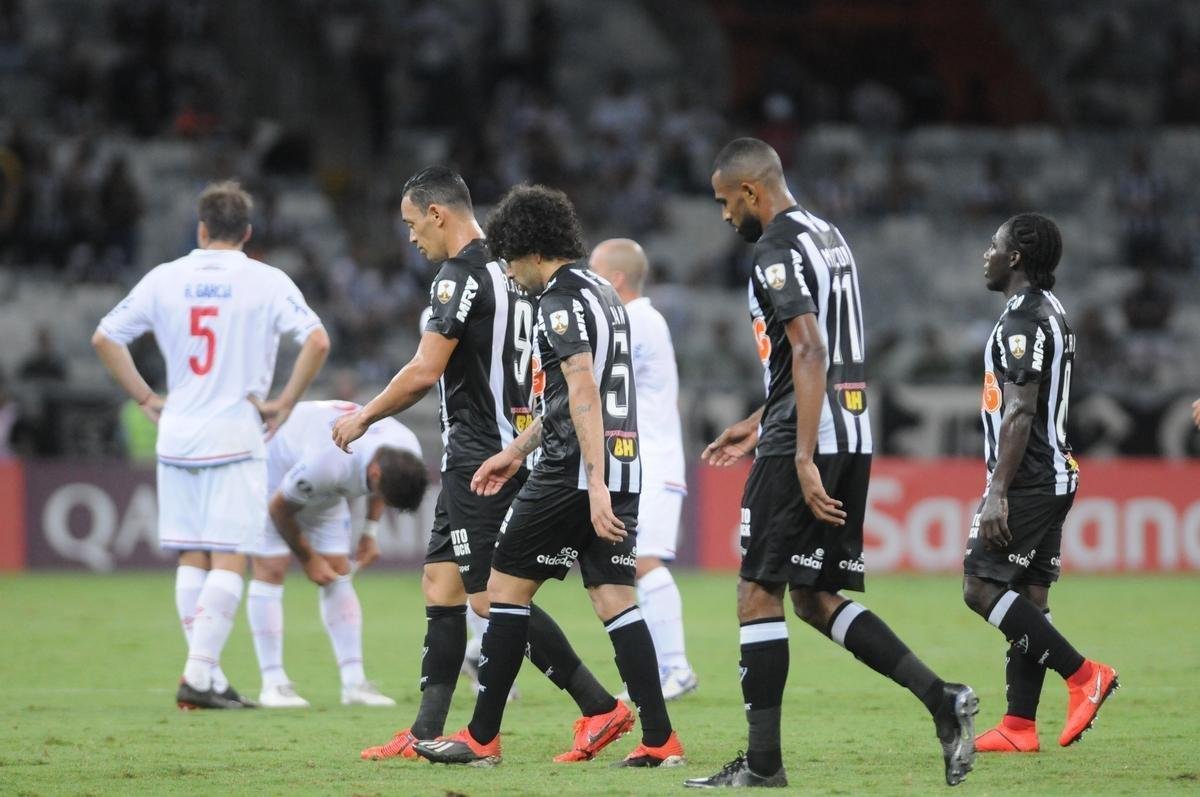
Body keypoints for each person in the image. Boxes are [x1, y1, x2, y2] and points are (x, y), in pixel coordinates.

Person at [686, 139, 977, 789]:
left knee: (756, 591)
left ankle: (763, 766)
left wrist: (797, 449)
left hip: (811, 437)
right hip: (851, 427)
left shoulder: (776, 249)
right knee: (815, 597)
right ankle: (944, 698)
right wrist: (762, 417)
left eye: (726, 201)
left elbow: (811, 348)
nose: (725, 216)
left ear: (752, 192)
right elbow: (824, 352)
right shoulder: (828, 234)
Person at [331, 168, 624, 763]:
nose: (412, 239)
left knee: (492, 598)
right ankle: (423, 733)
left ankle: (599, 706)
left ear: (439, 214)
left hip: (479, 452)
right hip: (511, 442)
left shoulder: (457, 278)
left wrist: (365, 417)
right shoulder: (513, 268)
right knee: (441, 585)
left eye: (414, 225)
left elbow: (423, 370)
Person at [413, 184, 686, 769]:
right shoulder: (603, 293)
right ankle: (660, 740)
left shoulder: (559, 299)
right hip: (622, 461)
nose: (510, 274)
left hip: (573, 473)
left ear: (532, 250)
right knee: (616, 598)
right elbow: (569, 397)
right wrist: (515, 450)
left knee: (501, 590)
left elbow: (582, 388)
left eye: (510, 261)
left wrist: (592, 484)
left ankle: (481, 738)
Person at [92, 180, 330, 709]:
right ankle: (199, 676)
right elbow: (317, 340)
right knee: (229, 557)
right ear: (246, 233)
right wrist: (286, 402)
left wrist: (145, 398)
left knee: (192, 558)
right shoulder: (265, 280)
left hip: (176, 434)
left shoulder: (165, 278)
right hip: (233, 435)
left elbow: (104, 337)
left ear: (200, 229)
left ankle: (210, 676)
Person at [965, 213, 1119, 753]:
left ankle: (1084, 677)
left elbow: (1020, 413)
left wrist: (997, 491)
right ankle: (1019, 725)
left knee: (981, 588)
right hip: (1054, 473)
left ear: (1015, 258)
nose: (985, 253)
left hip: (1029, 479)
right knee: (1028, 595)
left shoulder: (1024, 322)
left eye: (994, 244)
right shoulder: (1049, 312)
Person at [247, 400, 428, 708]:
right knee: (272, 567)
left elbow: (381, 487)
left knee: (338, 572)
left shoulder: (406, 451)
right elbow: (279, 508)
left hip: (325, 478)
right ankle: (273, 683)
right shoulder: (328, 463)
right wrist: (307, 558)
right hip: (272, 468)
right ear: (373, 472)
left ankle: (354, 683)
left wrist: (370, 532)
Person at [589, 238, 697, 700]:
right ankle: (657, 670)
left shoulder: (636, 320)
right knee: (633, 564)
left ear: (615, 279)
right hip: (642, 458)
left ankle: (675, 668)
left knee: (644, 559)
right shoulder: (640, 320)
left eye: (594, 274)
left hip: (649, 460)